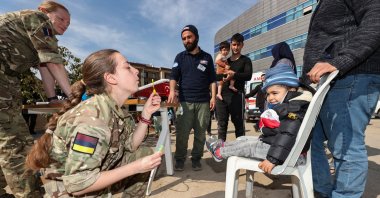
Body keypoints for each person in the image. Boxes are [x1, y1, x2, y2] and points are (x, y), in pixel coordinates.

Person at [25, 49, 163, 197]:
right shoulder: (92, 120)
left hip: (91, 174)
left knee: (143, 154)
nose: (136, 71)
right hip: (68, 190)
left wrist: (146, 113)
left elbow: (130, 146)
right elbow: (78, 184)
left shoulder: (114, 108)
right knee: (137, 164)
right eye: (127, 67)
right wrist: (135, 168)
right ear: (110, 78)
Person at [302, 1, 380, 197]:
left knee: (345, 147)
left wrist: (340, 60)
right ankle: (323, 191)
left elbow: (376, 16)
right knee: (311, 141)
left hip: (351, 76)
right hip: (329, 82)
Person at [0, 1, 72, 197]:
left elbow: (45, 66)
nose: (65, 24)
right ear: (44, 12)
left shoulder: (38, 37)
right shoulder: (38, 19)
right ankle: (29, 194)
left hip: (7, 78)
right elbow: (54, 63)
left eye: (69, 23)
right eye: (61, 18)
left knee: (5, 138)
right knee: (15, 141)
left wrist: (51, 98)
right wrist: (74, 98)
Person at [207, 64, 312, 173]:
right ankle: (223, 145)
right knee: (243, 139)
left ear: (292, 89)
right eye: (268, 94)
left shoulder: (294, 107)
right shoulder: (291, 104)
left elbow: (287, 135)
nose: (270, 98)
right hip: (283, 149)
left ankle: (219, 153)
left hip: (290, 154)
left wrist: (273, 159)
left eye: (274, 93)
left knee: (251, 147)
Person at [167, 24, 216, 171]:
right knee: (182, 133)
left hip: (203, 102)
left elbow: (212, 79)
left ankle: (196, 159)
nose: (186, 41)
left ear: (196, 37)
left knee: (200, 134)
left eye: (189, 37)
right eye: (183, 39)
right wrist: (171, 92)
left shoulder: (207, 57)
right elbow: (173, 77)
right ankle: (180, 160)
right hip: (184, 102)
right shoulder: (180, 57)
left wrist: (213, 97)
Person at [215, 33, 252, 141]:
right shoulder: (225, 61)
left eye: (238, 45)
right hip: (222, 96)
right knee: (221, 124)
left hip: (237, 95)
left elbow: (248, 76)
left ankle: (240, 150)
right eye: (234, 45)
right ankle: (220, 150)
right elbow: (217, 76)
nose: (235, 47)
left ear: (242, 45)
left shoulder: (245, 60)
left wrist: (234, 74)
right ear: (231, 45)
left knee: (238, 124)